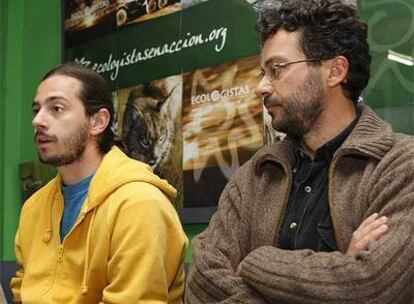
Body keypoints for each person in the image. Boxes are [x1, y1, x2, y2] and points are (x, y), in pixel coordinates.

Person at [185, 0, 414, 303]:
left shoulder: (399, 165)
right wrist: (336, 271)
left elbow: (373, 285)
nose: (262, 87)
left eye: (276, 69)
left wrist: (256, 263)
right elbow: (201, 280)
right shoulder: (254, 175)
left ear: (335, 71)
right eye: (262, 72)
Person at [10, 62, 188, 303]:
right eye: (36, 110)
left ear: (98, 122)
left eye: (57, 108)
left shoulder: (140, 204)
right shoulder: (33, 209)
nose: (38, 121)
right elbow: (23, 292)